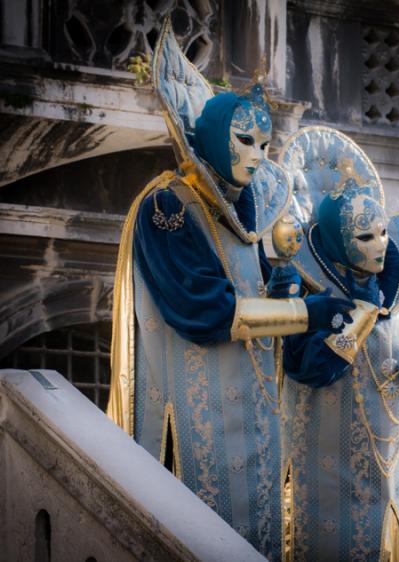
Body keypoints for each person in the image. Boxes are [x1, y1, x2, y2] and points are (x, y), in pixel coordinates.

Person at [107, 22, 353, 560]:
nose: (259, 155)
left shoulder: (240, 218)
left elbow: (245, 296)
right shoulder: (166, 207)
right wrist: (303, 312)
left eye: (266, 144)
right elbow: (208, 312)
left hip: (251, 427)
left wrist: (277, 285)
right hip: (190, 431)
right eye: (246, 141)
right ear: (217, 139)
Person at [274, 127, 399, 561]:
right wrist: (357, 316)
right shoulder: (309, 297)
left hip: (394, 471)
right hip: (328, 478)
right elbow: (308, 370)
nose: (381, 246)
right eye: (364, 237)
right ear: (335, 240)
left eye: (383, 233)